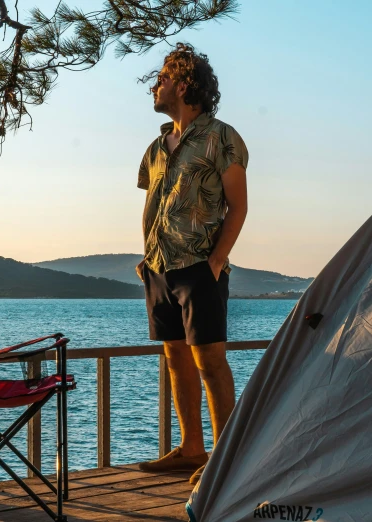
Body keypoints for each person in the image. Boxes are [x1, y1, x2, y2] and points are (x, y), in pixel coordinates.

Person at [135, 43, 248, 485]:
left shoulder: (222, 138)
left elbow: (237, 206)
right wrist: (146, 259)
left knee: (211, 363)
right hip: (160, 268)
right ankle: (191, 448)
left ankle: (226, 462)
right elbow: (152, 205)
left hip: (201, 266)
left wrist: (217, 261)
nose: (155, 85)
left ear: (184, 84)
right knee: (175, 360)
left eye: (162, 77)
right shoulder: (156, 148)